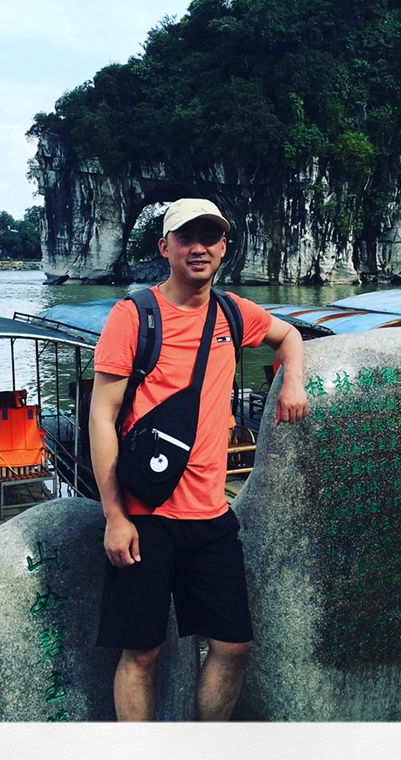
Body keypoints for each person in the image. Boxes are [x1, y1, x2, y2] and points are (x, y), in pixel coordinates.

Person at [88, 198, 308, 721]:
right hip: (146, 515)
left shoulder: (233, 312)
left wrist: (292, 380)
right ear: (164, 247)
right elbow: (101, 415)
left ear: (224, 248)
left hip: (211, 516)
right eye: (185, 237)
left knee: (233, 645)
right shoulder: (133, 316)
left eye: (210, 237)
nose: (199, 248)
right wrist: (115, 517)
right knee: (141, 653)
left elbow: (289, 335)